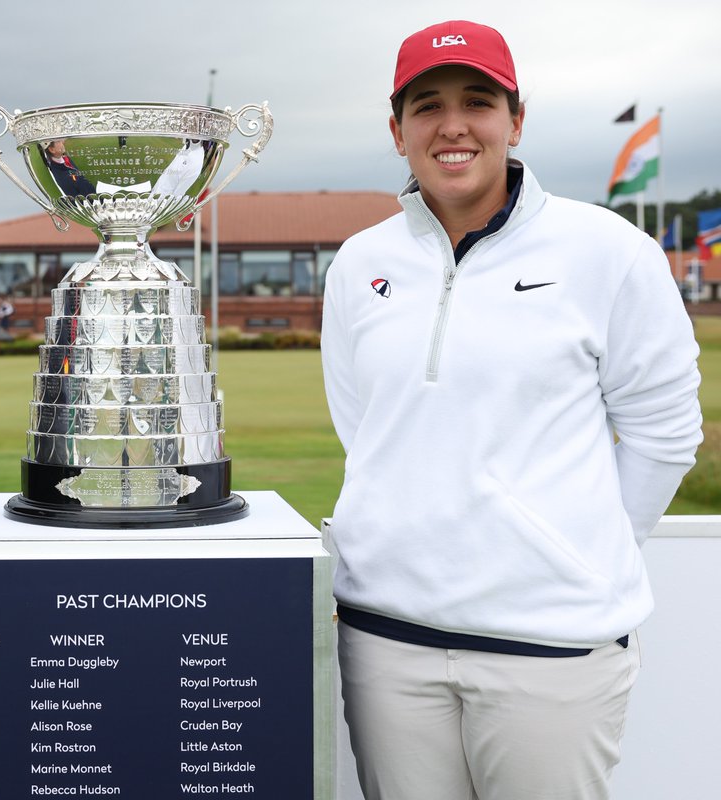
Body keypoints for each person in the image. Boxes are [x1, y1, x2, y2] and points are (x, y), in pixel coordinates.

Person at [320, 20, 702, 800]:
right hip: (386, 642)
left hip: (553, 650)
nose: (452, 125)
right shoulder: (361, 262)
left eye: (477, 101)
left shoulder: (609, 250)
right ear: (397, 132)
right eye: (427, 106)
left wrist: (574, 547)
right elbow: (362, 425)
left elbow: (665, 434)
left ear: (515, 120)